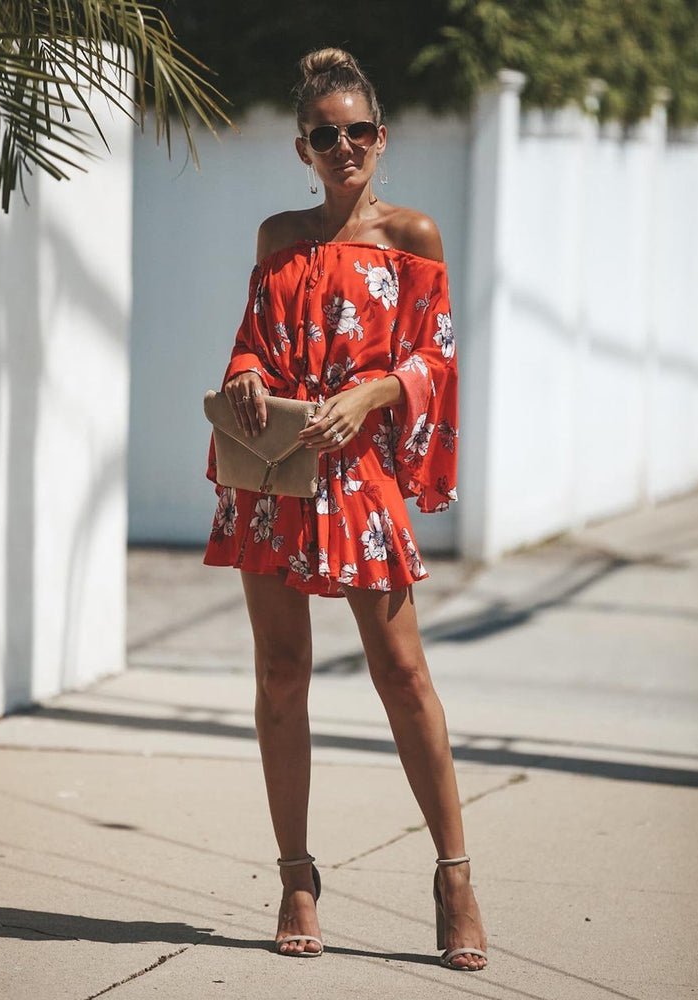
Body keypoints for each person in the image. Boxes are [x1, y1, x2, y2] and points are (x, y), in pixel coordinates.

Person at [204, 47, 487, 971]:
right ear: (302, 147)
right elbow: (252, 343)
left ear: (380, 136)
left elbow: (437, 359)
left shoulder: (414, 237)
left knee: (402, 673)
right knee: (282, 673)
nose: (343, 146)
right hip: (276, 471)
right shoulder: (278, 237)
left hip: (360, 478)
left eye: (357, 130)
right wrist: (247, 377)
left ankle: (453, 876)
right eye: (324, 134)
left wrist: (372, 395)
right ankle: (296, 876)